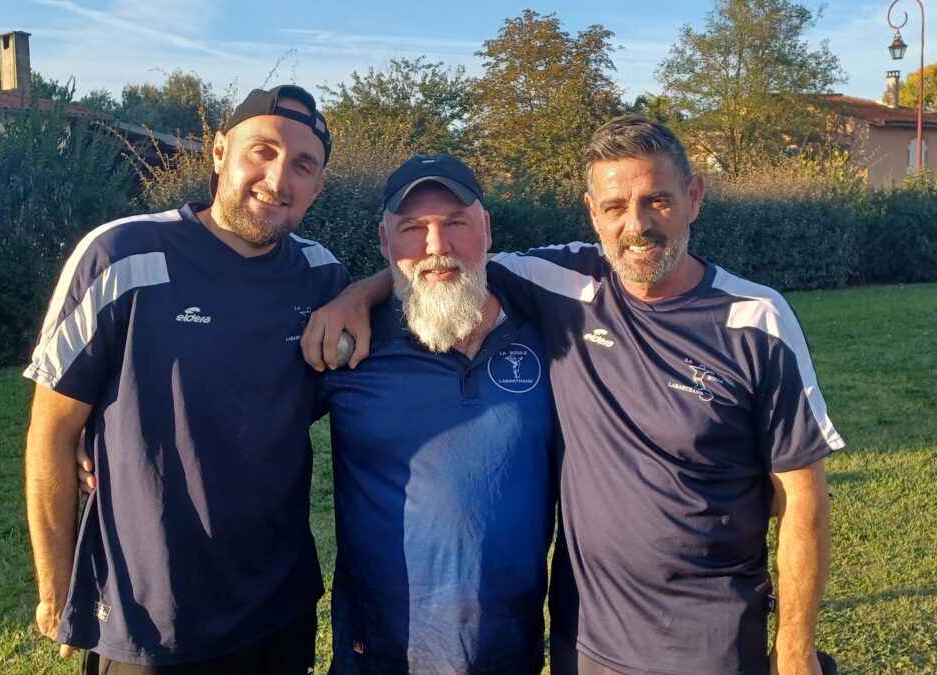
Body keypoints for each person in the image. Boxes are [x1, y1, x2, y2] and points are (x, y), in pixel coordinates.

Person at [304, 116, 839, 675]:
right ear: (592, 212)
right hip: (582, 643)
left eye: (657, 200)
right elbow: (432, 270)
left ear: (694, 195)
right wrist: (355, 296)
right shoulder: (564, 282)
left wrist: (796, 649)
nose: (636, 225)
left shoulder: (757, 319)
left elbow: (802, 499)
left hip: (712, 645)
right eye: (615, 207)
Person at [24, 84, 350, 673]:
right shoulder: (120, 254)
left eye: (303, 164)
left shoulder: (323, 277)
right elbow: (51, 432)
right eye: (263, 151)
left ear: (318, 185)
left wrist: (369, 291)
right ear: (220, 150)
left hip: (279, 605)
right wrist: (56, 587)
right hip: (149, 615)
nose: (279, 179)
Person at [316, 155, 556, 674]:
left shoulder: (549, 336)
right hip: (380, 655)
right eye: (412, 228)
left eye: (454, 223)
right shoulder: (349, 346)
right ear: (385, 245)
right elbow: (241, 415)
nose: (436, 246)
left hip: (510, 652)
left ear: (486, 230)